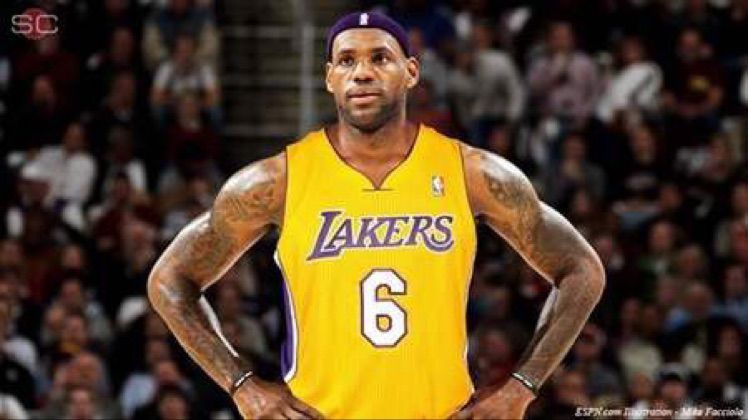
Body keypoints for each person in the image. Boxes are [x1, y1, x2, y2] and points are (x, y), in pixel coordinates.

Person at [148, 11, 605, 419]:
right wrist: (242, 385)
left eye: (380, 58)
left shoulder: (472, 173)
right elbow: (169, 281)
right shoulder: (276, 181)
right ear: (329, 78)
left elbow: (582, 269)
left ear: (411, 72)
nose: (362, 72)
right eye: (346, 61)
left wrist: (522, 387)